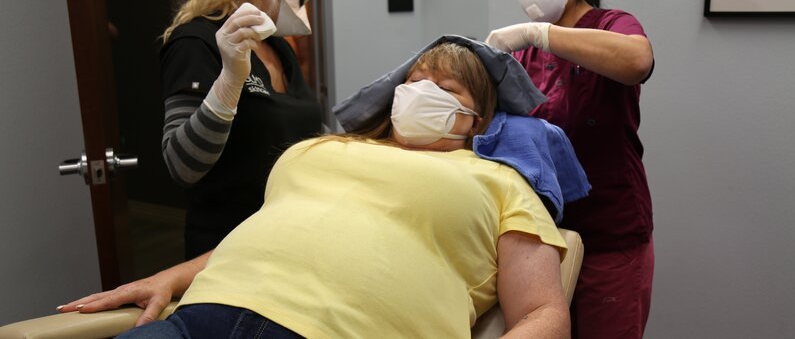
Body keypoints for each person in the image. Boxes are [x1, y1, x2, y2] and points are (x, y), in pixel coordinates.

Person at [58, 40, 570, 338]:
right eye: (414, 82)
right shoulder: (321, 150)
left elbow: (544, 314)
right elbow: (273, 226)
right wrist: (169, 277)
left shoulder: (500, 181)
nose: (421, 93)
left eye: (446, 89)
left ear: (477, 120)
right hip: (200, 318)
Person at [486, 0, 655, 339]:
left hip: (610, 232)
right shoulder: (523, 53)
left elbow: (637, 62)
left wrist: (539, 33)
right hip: (543, 239)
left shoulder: (612, 24)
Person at [158, 0, 322, 259]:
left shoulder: (277, 48)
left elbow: (294, 131)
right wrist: (229, 80)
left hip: (286, 238)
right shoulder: (195, 43)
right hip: (225, 254)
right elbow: (182, 166)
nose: (304, 0)